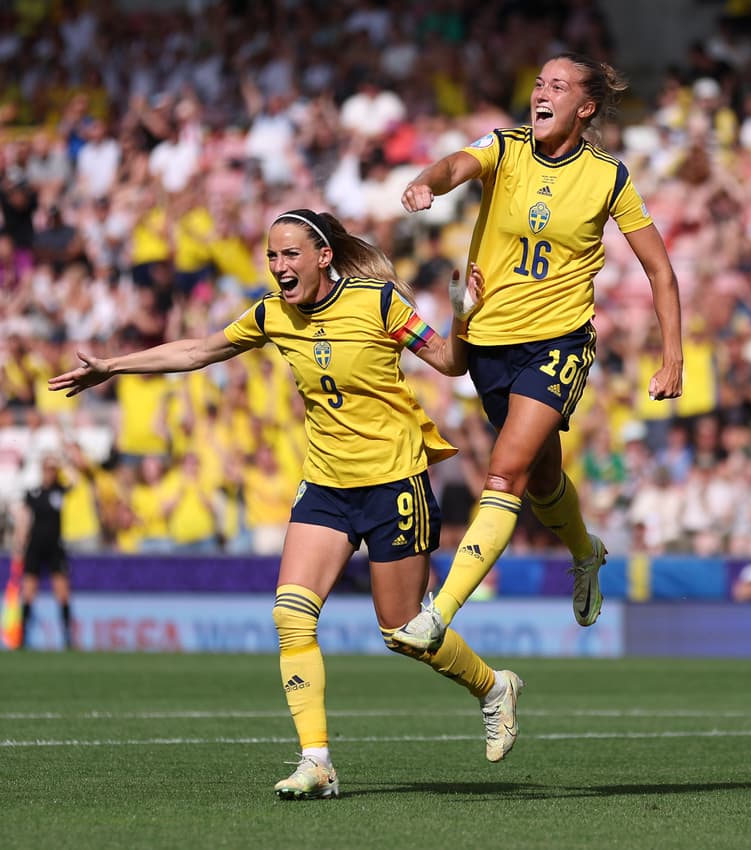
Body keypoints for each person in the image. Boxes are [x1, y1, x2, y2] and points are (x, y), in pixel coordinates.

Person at [49, 209, 522, 799]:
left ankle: (492, 686)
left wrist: (462, 313)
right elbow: (198, 350)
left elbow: (451, 363)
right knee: (291, 616)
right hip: (325, 484)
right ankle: (316, 761)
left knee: (405, 633)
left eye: (290, 255)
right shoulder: (272, 313)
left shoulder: (378, 303)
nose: (279, 267)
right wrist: (113, 367)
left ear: (324, 257)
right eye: (272, 257)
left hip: (394, 482)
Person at [393, 53, 683, 652]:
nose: (541, 92)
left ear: (586, 107)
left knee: (504, 472)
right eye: (538, 82)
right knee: (543, 477)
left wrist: (672, 355)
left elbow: (660, 271)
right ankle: (586, 551)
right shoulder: (505, 146)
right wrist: (427, 181)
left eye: (558, 85)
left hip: (557, 343)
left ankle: (439, 611)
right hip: (488, 342)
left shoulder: (609, 177)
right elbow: (457, 163)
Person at [14, 455, 74, 650]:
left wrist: (62, 463)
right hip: (35, 548)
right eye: (47, 469)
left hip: (55, 548)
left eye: (52, 469)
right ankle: (22, 636)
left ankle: (67, 637)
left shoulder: (60, 491)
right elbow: (24, 521)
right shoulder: (33, 493)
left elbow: (76, 480)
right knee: (29, 591)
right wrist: (19, 546)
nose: (50, 473)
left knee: (62, 592)